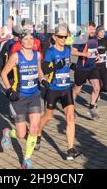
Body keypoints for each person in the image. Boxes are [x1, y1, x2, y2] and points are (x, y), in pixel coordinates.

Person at [0, 30, 47, 169]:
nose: (29, 41)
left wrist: (43, 79)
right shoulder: (15, 56)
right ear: (20, 42)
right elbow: (4, 73)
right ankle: (8, 132)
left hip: (34, 96)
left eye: (31, 38)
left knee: (33, 128)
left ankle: (26, 160)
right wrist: (9, 90)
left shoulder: (37, 55)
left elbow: (38, 69)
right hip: (19, 97)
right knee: (21, 134)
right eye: (26, 39)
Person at [37, 25, 81, 160]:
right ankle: (37, 133)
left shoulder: (67, 50)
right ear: (55, 37)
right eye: (60, 36)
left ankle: (70, 149)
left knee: (71, 117)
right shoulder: (50, 52)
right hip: (53, 89)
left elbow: (68, 63)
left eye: (65, 36)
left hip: (66, 88)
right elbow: (44, 70)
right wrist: (56, 66)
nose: (63, 39)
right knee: (48, 116)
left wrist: (73, 66)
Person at [71, 22, 101, 120]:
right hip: (81, 68)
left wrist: (98, 55)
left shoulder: (95, 38)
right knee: (77, 89)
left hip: (92, 67)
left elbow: (95, 49)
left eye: (94, 29)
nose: (93, 31)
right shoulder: (80, 39)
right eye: (91, 29)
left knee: (97, 88)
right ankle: (70, 109)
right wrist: (83, 54)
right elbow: (73, 51)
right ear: (86, 30)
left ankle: (91, 108)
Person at [96, 26, 107, 95]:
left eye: (104, 32)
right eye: (101, 32)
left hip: (104, 66)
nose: (103, 33)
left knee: (106, 88)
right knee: (98, 85)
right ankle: (95, 97)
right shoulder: (93, 40)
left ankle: (98, 91)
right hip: (95, 66)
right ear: (97, 32)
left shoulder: (105, 40)